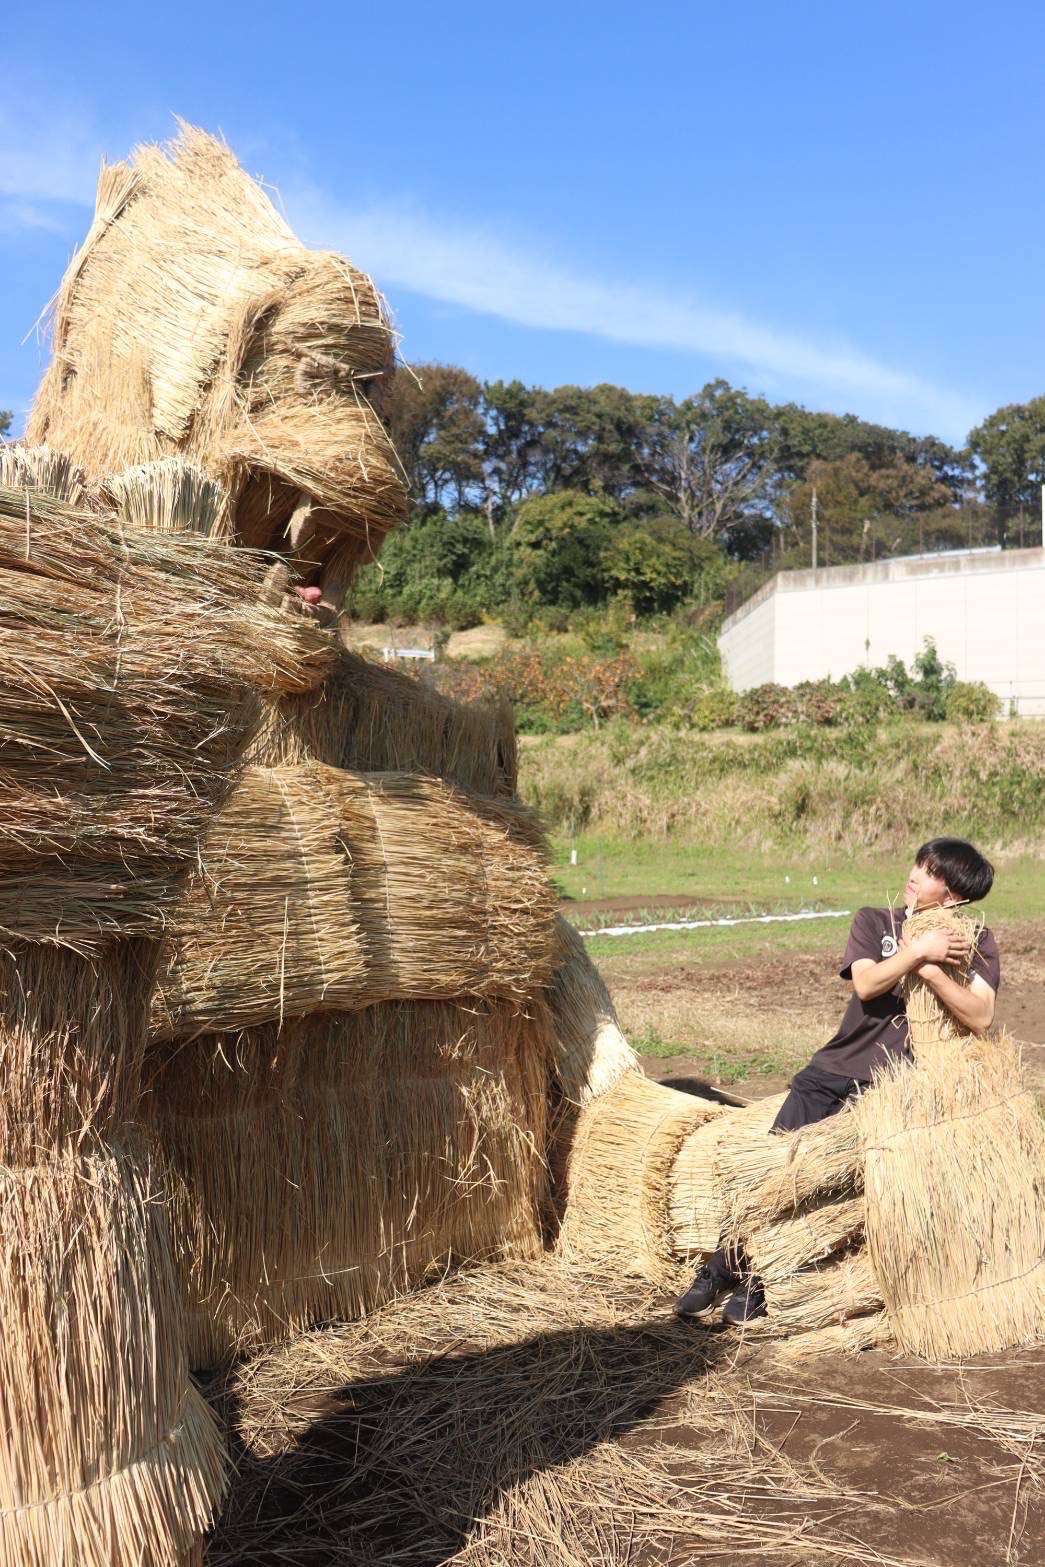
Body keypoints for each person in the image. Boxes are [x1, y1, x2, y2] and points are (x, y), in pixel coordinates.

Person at [675, 837, 1000, 1326]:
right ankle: (722, 1266)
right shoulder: (876, 921)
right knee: (771, 1170)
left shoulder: (974, 942)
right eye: (918, 864)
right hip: (831, 1072)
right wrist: (917, 951)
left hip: (892, 1090)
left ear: (954, 895)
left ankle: (763, 1279)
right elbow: (867, 984)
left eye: (931, 873)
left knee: (825, 1192)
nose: (914, 876)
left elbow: (981, 1016)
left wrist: (934, 971)